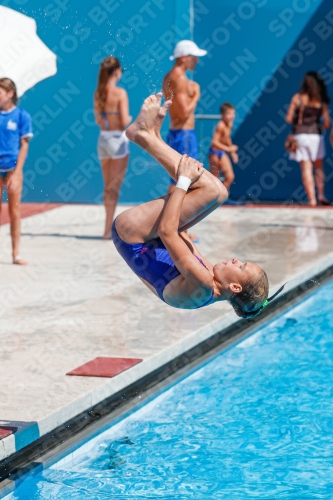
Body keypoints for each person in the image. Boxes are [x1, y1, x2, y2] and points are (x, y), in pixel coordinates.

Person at [112, 93, 270, 319]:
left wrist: (184, 181)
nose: (236, 259)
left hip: (133, 235)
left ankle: (144, 136)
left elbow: (168, 231)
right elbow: (181, 232)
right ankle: (151, 137)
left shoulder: (203, 285)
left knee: (211, 191)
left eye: (241, 266)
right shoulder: (211, 281)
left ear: (235, 287)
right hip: (149, 238)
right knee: (220, 193)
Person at [94, 56, 131, 239]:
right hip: (117, 140)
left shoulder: (98, 92)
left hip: (103, 139)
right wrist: (132, 119)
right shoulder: (120, 93)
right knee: (114, 188)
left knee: (107, 187)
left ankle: (105, 229)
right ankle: (109, 230)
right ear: (117, 71)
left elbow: (98, 120)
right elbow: (124, 121)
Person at [162, 40, 207, 192]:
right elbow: (183, 113)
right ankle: (170, 215)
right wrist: (196, 95)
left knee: (179, 180)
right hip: (184, 135)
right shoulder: (179, 78)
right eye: (194, 56)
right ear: (183, 57)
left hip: (178, 133)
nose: (197, 60)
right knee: (185, 181)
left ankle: (171, 215)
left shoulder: (171, 76)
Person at [285, 71, 331, 206]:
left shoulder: (298, 98)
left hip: (300, 135)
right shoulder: (320, 101)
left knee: (306, 168)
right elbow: (327, 122)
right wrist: (319, 127)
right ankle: (321, 194)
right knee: (319, 167)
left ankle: (312, 199)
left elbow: (288, 118)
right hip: (316, 136)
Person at [0, 78, 33, 265]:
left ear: (10, 93)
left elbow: (24, 145)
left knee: (14, 211)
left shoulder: (22, 116)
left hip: (13, 169)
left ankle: (15, 254)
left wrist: (16, 172)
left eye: (0, 93)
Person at [208, 102, 238, 191]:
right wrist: (229, 149)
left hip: (221, 152)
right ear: (222, 115)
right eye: (228, 114)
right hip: (214, 153)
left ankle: (222, 197)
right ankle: (211, 200)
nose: (231, 116)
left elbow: (227, 138)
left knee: (230, 176)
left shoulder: (229, 124)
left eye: (233, 113)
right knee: (214, 179)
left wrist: (232, 153)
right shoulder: (220, 125)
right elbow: (214, 142)